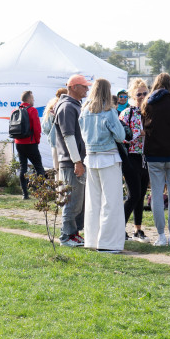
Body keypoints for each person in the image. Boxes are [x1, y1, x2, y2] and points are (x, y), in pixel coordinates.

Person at [78, 78, 127, 253]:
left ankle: (92, 239)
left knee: (93, 201)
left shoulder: (84, 111)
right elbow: (121, 136)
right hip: (109, 157)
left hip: (91, 158)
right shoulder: (109, 111)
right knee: (112, 201)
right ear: (108, 91)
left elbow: (82, 135)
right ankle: (109, 243)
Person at [142, 73, 170, 247]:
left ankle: (161, 235)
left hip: (154, 155)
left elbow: (144, 127)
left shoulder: (147, 104)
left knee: (157, 197)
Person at [54, 75, 91, 247]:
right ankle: (66, 236)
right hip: (71, 162)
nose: (87, 90)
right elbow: (68, 136)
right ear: (74, 87)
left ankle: (73, 233)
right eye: (84, 87)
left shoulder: (72, 105)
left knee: (77, 201)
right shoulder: (67, 107)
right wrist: (77, 161)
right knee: (72, 201)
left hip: (74, 161)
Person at [119, 79, 150, 240]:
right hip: (131, 156)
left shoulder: (151, 112)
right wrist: (139, 133)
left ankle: (138, 229)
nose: (143, 96)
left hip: (146, 157)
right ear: (132, 95)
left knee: (142, 194)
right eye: (139, 94)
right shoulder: (127, 113)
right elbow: (121, 137)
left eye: (145, 93)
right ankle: (119, 228)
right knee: (134, 194)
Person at [12, 90, 44, 200]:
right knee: (39, 167)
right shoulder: (32, 110)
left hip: (18, 143)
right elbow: (36, 128)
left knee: (23, 168)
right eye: (32, 98)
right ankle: (41, 192)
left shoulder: (15, 110)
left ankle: (25, 194)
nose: (34, 100)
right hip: (31, 143)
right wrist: (37, 140)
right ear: (28, 99)